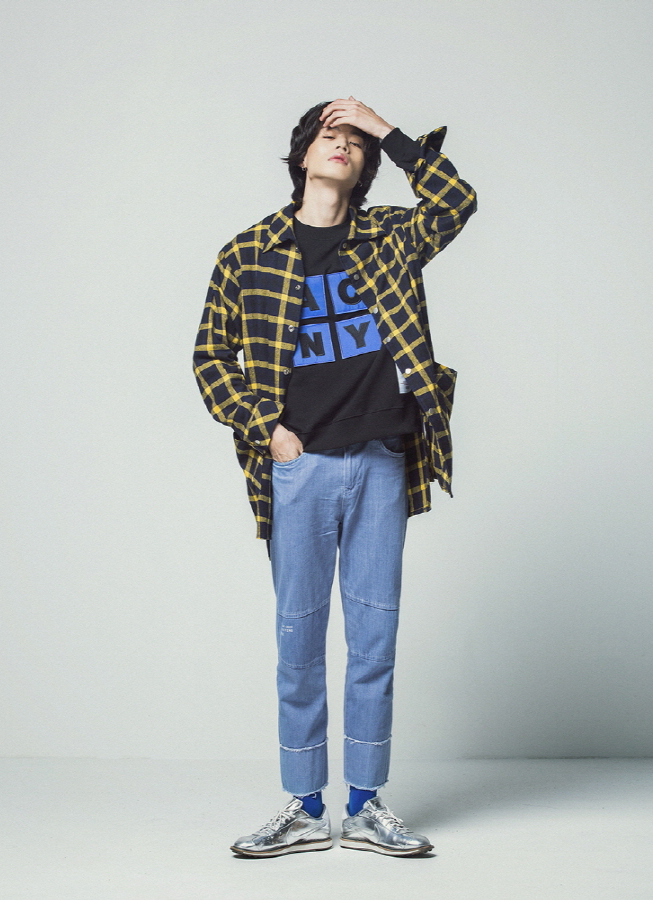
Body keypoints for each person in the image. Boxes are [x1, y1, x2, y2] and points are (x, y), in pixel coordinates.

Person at [193, 97, 477, 857]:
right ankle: (303, 805)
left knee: (374, 641)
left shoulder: (388, 236)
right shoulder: (248, 253)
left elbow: (456, 200)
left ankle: (366, 803)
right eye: (329, 134)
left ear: (366, 161)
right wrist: (267, 431)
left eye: (354, 139)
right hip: (300, 467)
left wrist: (388, 130)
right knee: (298, 640)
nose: (342, 144)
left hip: (382, 460)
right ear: (301, 156)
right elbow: (210, 358)